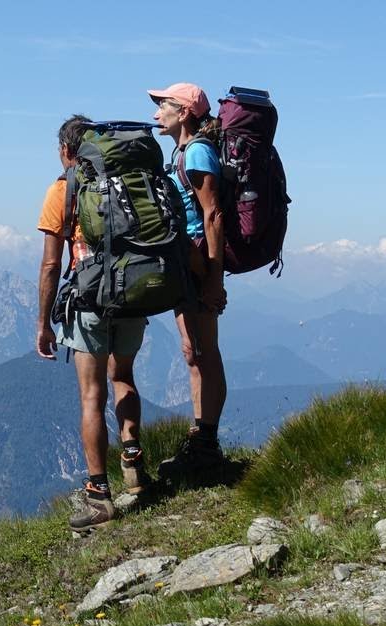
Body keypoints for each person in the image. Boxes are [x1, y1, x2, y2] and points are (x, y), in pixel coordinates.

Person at [36, 114, 150, 532]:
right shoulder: (128, 181)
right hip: (135, 291)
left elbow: (51, 264)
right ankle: (134, 467)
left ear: (68, 150)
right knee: (125, 377)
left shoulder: (64, 189)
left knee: (91, 396)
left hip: (89, 300)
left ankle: (100, 494)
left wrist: (44, 322)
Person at [148, 83, 228, 477]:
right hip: (187, 262)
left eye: (162, 105)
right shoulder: (181, 152)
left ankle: (207, 445)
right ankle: (200, 438)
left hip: (200, 262)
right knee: (192, 352)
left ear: (183, 112)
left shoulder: (197, 151)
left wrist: (215, 278)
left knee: (205, 353)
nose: (155, 113)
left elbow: (212, 214)